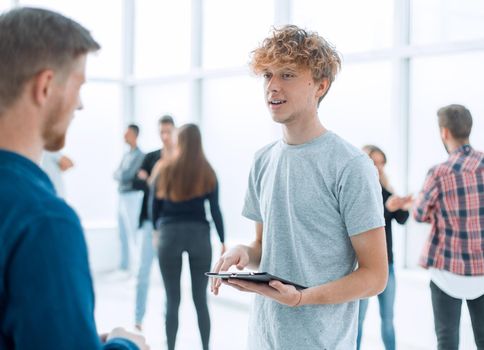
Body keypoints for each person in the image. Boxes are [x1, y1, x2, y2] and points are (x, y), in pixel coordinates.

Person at [210, 25, 388, 349]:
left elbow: (375, 275)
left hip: (322, 342)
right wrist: (242, 253)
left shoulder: (351, 165)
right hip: (263, 338)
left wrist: (301, 299)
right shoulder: (262, 160)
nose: (272, 87)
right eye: (268, 75)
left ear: (320, 85)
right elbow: (264, 249)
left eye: (288, 75)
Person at [0, 7, 148, 350]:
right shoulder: (43, 222)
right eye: (78, 85)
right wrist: (127, 346)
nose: (80, 105)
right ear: (46, 86)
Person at [413, 104, 484, 350]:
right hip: (483, 272)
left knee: (447, 340)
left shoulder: (439, 173)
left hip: (447, 272)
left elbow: (419, 213)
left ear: (444, 133)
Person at [152, 123, 226, 350]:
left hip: (169, 235)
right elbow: (215, 210)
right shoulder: (207, 170)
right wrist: (223, 240)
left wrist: (157, 231)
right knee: (200, 300)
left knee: (172, 300)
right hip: (199, 236)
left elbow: (153, 208)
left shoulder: (164, 168)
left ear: (179, 141)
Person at [357, 145, 412, 350]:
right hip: (362, 267)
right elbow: (367, 221)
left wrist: (403, 205)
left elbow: (402, 219)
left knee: (388, 319)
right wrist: (386, 209)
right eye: (375, 162)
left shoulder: (386, 191)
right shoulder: (360, 191)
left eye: (382, 163)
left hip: (387, 265)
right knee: (358, 319)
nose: (379, 167)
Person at [132, 115, 175, 330]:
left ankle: (169, 320)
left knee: (169, 276)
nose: (165, 136)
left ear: (174, 132)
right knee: (143, 272)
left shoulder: (179, 159)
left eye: (168, 131)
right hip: (150, 223)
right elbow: (135, 181)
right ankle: (138, 320)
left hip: (170, 225)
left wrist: (148, 179)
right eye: (162, 132)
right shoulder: (151, 158)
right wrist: (150, 181)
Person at [114, 124, 145, 272]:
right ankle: (124, 266)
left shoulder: (140, 156)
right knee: (122, 232)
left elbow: (126, 175)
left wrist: (121, 175)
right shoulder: (126, 155)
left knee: (134, 232)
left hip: (132, 197)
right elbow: (117, 174)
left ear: (134, 135)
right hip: (121, 196)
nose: (124, 136)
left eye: (127, 133)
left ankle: (138, 266)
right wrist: (121, 175)